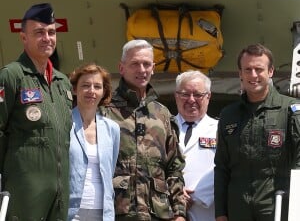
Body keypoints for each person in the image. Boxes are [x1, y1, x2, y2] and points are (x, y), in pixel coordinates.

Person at [0, 3, 73, 220]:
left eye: (51, 32)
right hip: (24, 190)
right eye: (39, 33)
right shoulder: (11, 76)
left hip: (59, 191)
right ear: (24, 38)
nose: (47, 38)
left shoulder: (63, 82)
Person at [100, 39, 186, 221]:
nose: (142, 69)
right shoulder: (104, 111)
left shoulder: (161, 114)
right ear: (121, 68)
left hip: (157, 214)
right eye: (135, 64)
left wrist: (179, 213)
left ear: (153, 68)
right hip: (117, 214)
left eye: (146, 64)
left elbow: (174, 167)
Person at [214, 43, 300, 221]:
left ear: (270, 72)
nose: (253, 75)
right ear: (240, 74)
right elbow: (222, 167)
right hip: (238, 209)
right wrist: (220, 213)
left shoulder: (291, 111)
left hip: (278, 208)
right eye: (248, 69)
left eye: (259, 69)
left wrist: (295, 209)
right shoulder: (229, 115)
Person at [68, 63, 120, 221]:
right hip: (71, 212)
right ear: (75, 90)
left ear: (103, 92)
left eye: (97, 86)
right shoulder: (63, 124)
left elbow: (110, 170)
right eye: (85, 85)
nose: (91, 91)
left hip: (103, 212)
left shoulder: (112, 129)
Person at [175, 70, 218, 221]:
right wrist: (175, 194)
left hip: (206, 210)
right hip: (170, 210)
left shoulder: (221, 129)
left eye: (198, 95)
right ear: (176, 96)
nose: (191, 100)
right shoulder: (163, 127)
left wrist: (198, 196)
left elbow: (225, 168)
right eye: (185, 94)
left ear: (208, 96)